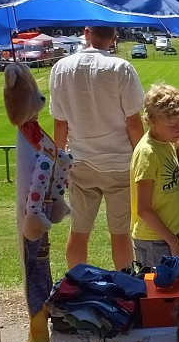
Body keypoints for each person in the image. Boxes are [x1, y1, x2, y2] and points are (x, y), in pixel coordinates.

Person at [49, 25, 145, 270]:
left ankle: (76, 286)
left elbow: (60, 125)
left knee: (79, 232)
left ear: (86, 32)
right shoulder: (121, 68)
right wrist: (142, 159)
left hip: (80, 162)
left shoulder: (61, 68)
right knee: (121, 234)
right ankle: (125, 288)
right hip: (119, 165)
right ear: (114, 37)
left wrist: (58, 168)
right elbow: (134, 122)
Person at [130, 84, 179, 267]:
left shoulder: (167, 143)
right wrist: (172, 242)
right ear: (151, 120)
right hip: (153, 240)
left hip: (167, 234)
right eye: (173, 125)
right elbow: (143, 209)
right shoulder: (147, 153)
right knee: (157, 292)